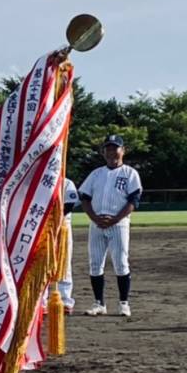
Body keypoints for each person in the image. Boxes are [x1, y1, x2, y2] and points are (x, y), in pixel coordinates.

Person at [79, 134, 142, 317]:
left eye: (115, 148)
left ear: (123, 151)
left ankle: (124, 303)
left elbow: (134, 200)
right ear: (103, 152)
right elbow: (85, 197)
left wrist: (115, 219)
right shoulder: (96, 174)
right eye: (108, 148)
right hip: (96, 224)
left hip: (119, 224)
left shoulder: (130, 173)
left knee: (121, 263)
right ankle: (99, 303)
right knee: (95, 264)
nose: (111, 152)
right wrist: (94, 218)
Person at [52, 176, 80, 314]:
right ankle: (42, 301)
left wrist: (54, 217)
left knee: (64, 262)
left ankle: (65, 300)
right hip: (43, 228)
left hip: (62, 226)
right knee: (43, 263)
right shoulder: (40, 180)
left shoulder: (67, 182)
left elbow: (70, 204)